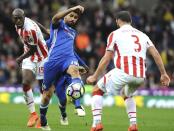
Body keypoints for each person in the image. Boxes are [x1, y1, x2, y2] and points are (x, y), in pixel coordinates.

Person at [86, 11, 170, 131]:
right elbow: (156, 53)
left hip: (124, 71)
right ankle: (133, 125)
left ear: (117, 21)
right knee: (126, 94)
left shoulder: (115, 34)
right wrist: (163, 73)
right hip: (140, 76)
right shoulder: (143, 35)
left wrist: (95, 76)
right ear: (130, 21)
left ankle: (97, 124)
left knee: (97, 90)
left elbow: (107, 58)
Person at [39, 5, 85, 130]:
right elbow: (55, 18)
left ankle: (78, 105)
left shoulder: (73, 32)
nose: (73, 19)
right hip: (53, 63)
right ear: (65, 16)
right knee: (46, 96)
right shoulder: (57, 26)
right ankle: (42, 119)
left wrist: (82, 64)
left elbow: (72, 51)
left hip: (68, 60)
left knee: (75, 72)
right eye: (71, 16)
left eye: (76, 17)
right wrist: (72, 8)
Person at [12, 8, 48, 127]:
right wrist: (46, 30)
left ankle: (43, 117)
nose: (17, 20)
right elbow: (36, 22)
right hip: (30, 58)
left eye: (19, 18)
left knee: (43, 89)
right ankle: (33, 114)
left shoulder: (30, 29)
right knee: (25, 83)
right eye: (15, 18)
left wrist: (20, 58)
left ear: (24, 17)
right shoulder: (19, 24)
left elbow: (33, 49)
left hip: (42, 57)